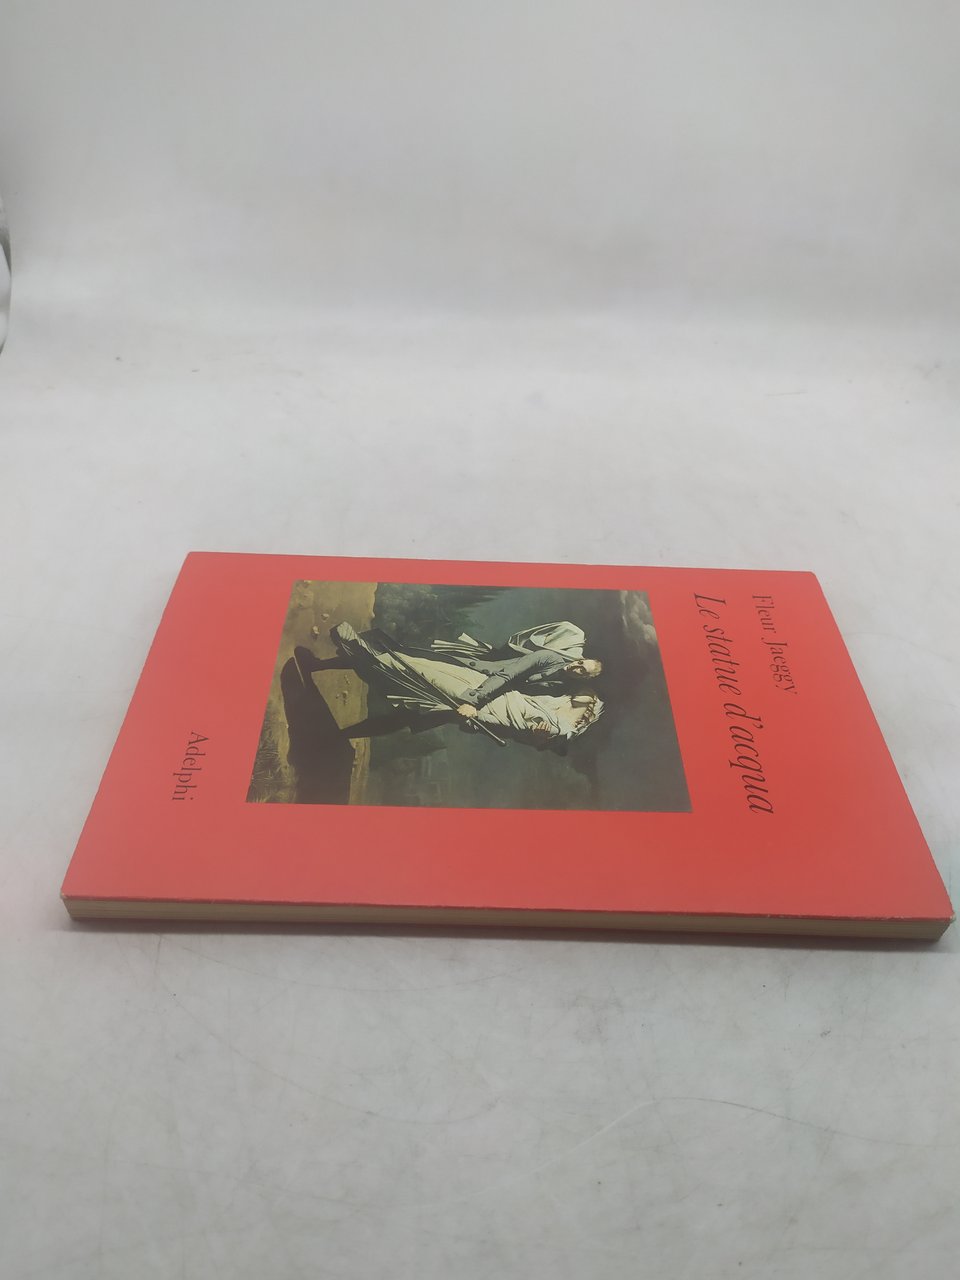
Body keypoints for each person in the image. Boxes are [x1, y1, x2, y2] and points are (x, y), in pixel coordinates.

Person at [295, 621, 604, 748]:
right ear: (580, 658)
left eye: (582, 672)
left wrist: (537, 735)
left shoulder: (558, 691)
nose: (576, 668)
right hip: (475, 677)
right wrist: (475, 700)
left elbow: (525, 711)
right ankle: (320, 664)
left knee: (410, 716)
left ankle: (336, 738)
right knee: (404, 663)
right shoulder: (549, 657)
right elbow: (509, 675)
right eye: (580, 663)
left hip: (484, 704)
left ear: (584, 678)